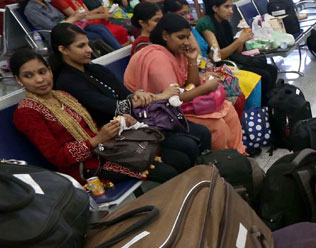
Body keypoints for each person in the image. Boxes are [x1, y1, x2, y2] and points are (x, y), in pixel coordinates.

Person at [50, 23, 210, 178]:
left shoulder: (94, 69)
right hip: (116, 136)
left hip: (137, 121)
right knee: (185, 148)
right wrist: (159, 96)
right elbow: (111, 108)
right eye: (81, 46)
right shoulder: (67, 82)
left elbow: (125, 94)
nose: (89, 50)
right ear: (63, 50)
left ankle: (205, 179)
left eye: (87, 44)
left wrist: (137, 95)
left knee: (200, 133)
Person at [11, 48, 159, 184]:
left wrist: (119, 125)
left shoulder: (63, 96)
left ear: (49, 71)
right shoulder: (27, 112)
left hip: (102, 152)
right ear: (18, 80)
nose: (39, 79)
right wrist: (97, 140)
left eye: (42, 72)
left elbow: (92, 129)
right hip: (82, 169)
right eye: (28, 76)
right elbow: (57, 157)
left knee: (162, 153)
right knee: (161, 170)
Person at [124, 13, 245, 153]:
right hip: (158, 112)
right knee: (217, 124)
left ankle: (239, 155)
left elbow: (190, 85)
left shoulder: (176, 51)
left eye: (188, 37)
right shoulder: (157, 58)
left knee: (228, 109)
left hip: (175, 105)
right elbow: (172, 99)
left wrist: (192, 60)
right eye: (181, 37)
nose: (187, 42)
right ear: (165, 36)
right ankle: (222, 162)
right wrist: (205, 88)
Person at [196, 0, 277, 98]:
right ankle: (262, 106)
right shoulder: (206, 24)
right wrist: (239, 41)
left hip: (232, 59)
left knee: (272, 69)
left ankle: (270, 102)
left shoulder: (225, 23)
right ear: (215, 8)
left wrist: (242, 38)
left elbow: (236, 51)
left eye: (231, 6)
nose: (231, 11)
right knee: (264, 75)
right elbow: (217, 57)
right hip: (220, 66)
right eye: (226, 7)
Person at [20, 0, 121, 50]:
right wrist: (73, 18)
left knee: (100, 28)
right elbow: (52, 27)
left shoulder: (46, 4)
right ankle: (113, 55)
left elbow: (61, 17)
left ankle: (119, 50)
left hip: (69, 27)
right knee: (96, 37)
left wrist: (72, 18)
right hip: (57, 35)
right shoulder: (31, 9)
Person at [51, 0, 129, 47]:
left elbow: (86, 12)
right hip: (75, 27)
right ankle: (117, 50)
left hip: (84, 23)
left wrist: (99, 11)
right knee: (99, 33)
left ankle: (118, 49)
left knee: (101, 27)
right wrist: (100, 15)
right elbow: (77, 17)